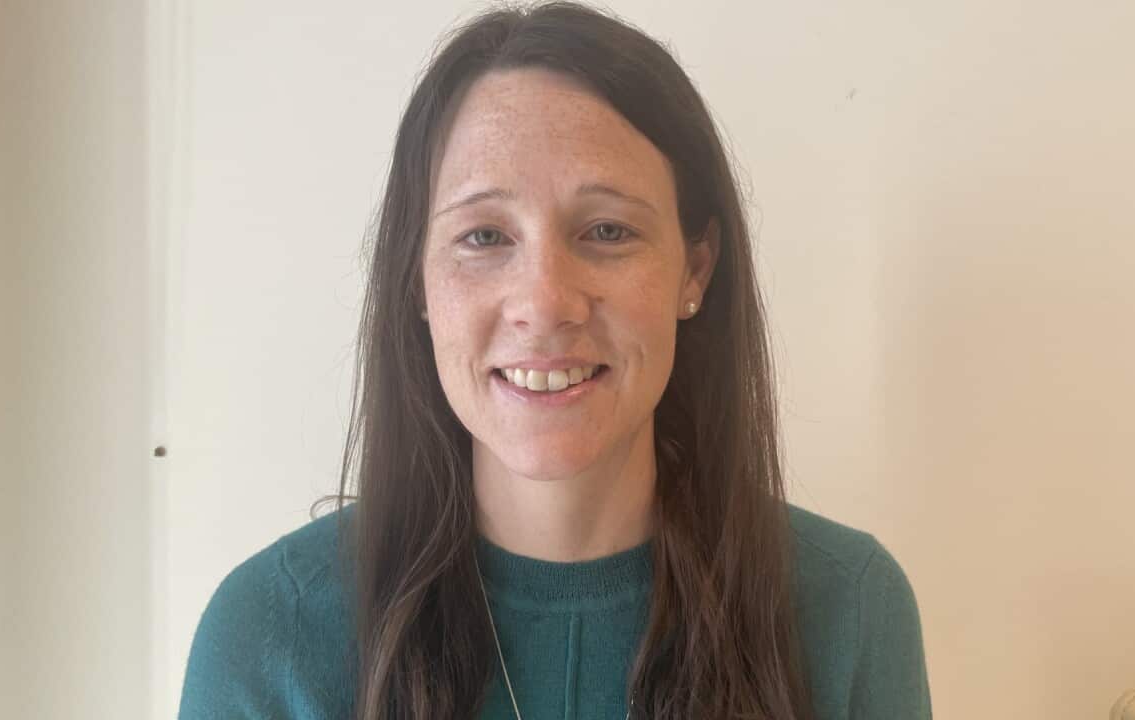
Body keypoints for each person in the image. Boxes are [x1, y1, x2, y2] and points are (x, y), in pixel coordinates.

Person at [178, 2, 932, 719]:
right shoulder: (267, 636)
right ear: (416, 278)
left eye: (606, 231)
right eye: (484, 236)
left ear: (694, 271)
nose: (544, 302)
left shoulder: (850, 611)